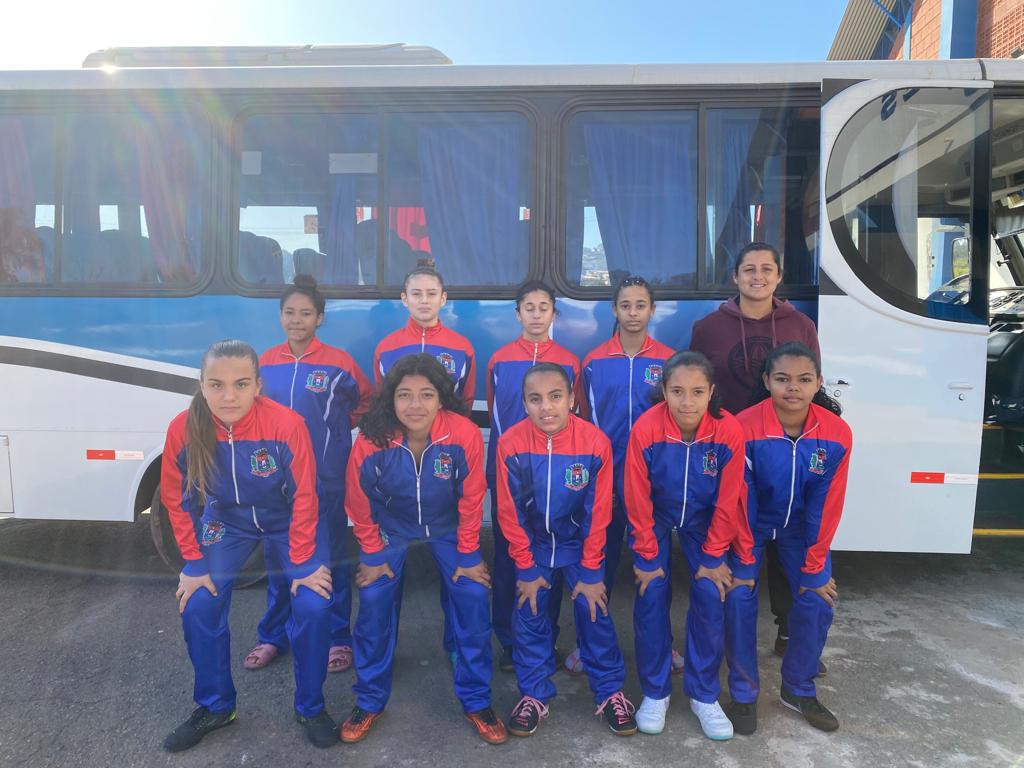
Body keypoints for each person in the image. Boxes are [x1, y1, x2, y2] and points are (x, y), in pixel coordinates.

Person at [159, 340, 338, 752]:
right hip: (227, 522)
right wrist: (193, 562)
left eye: (241, 384)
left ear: (258, 384)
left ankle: (311, 707)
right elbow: (177, 498)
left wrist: (304, 561)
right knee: (199, 602)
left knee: (312, 602)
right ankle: (216, 705)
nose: (229, 396)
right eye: (217, 385)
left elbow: (306, 496)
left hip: (288, 519)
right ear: (201, 385)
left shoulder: (286, 424)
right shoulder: (182, 429)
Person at [342, 354, 506, 745]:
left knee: (471, 593)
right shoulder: (372, 437)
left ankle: (477, 700)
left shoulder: (463, 432)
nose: (415, 405)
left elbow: (471, 499)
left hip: (447, 527)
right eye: (405, 395)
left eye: (426, 395)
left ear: (441, 398)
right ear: (391, 400)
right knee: (375, 595)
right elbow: (358, 499)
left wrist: (469, 555)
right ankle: (369, 699)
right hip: (389, 528)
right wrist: (371, 554)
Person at [689, 241, 822, 671]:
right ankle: (733, 633)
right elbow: (698, 384)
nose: (758, 277)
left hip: (784, 446)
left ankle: (789, 631)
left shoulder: (800, 324)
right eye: (749, 269)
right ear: (735, 277)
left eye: (767, 269)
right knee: (732, 532)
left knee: (787, 534)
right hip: (728, 446)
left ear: (779, 277)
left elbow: (811, 385)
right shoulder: (709, 327)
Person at [496, 362, 638, 738]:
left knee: (594, 610)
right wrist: (525, 567)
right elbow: (509, 513)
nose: (547, 407)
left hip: (579, 548)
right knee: (528, 615)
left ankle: (610, 692)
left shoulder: (594, 442)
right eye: (535, 399)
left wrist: (592, 572)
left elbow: (598, 514)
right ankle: (533, 694)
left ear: (572, 398)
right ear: (523, 403)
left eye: (556, 396)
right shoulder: (510, 443)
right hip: (536, 549)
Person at [246, 275, 373, 675]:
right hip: (276, 485)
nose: (296, 320)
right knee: (278, 559)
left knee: (330, 558)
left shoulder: (339, 363)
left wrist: (333, 433)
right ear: (280, 317)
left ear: (319, 318)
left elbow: (362, 403)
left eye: (305, 313)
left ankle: (338, 638)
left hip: (325, 480)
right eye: (289, 313)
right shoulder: (264, 362)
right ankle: (273, 636)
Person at [726, 342, 852, 734]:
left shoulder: (836, 433)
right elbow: (741, 497)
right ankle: (743, 694)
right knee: (738, 597)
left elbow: (825, 505)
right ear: (767, 381)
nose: (792, 388)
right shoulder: (743, 427)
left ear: (818, 384)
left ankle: (797, 688)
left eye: (803, 380)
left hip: (800, 529)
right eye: (782, 379)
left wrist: (815, 567)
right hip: (752, 525)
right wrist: (745, 560)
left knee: (816, 599)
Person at [626, 351, 748, 740]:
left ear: (712, 392)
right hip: (656, 518)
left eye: (697, 392)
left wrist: (713, 557)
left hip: (703, 520)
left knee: (711, 592)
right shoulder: (646, 428)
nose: (687, 401)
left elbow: (729, 500)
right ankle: (656, 691)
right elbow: (635, 495)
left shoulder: (728, 430)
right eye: (677, 391)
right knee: (651, 592)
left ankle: (703, 694)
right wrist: (646, 553)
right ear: (663, 391)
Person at [373, 266, 477, 661]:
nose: (424, 300)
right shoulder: (386, 348)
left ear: (443, 299)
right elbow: (385, 409)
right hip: (400, 472)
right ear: (404, 299)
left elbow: (463, 407)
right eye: (416, 293)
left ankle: (458, 651)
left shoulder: (461, 348)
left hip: (444, 466)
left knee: (463, 583)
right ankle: (380, 657)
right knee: (379, 587)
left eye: (431, 293)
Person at [577, 275, 675, 675]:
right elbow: (582, 419)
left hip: (653, 482)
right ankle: (589, 648)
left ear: (652, 310)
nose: (633, 313)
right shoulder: (593, 362)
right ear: (613, 310)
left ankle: (661, 648)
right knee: (598, 563)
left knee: (655, 568)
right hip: (606, 480)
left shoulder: (670, 362)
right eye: (625, 306)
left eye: (640, 305)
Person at [486, 280, 579, 672]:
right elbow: (495, 415)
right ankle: (509, 641)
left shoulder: (571, 362)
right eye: (529, 307)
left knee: (549, 558)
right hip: (510, 470)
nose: (536, 314)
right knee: (510, 557)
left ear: (554, 314)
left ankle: (545, 637)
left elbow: (575, 418)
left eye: (544, 307)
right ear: (518, 314)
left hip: (555, 474)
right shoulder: (499, 360)